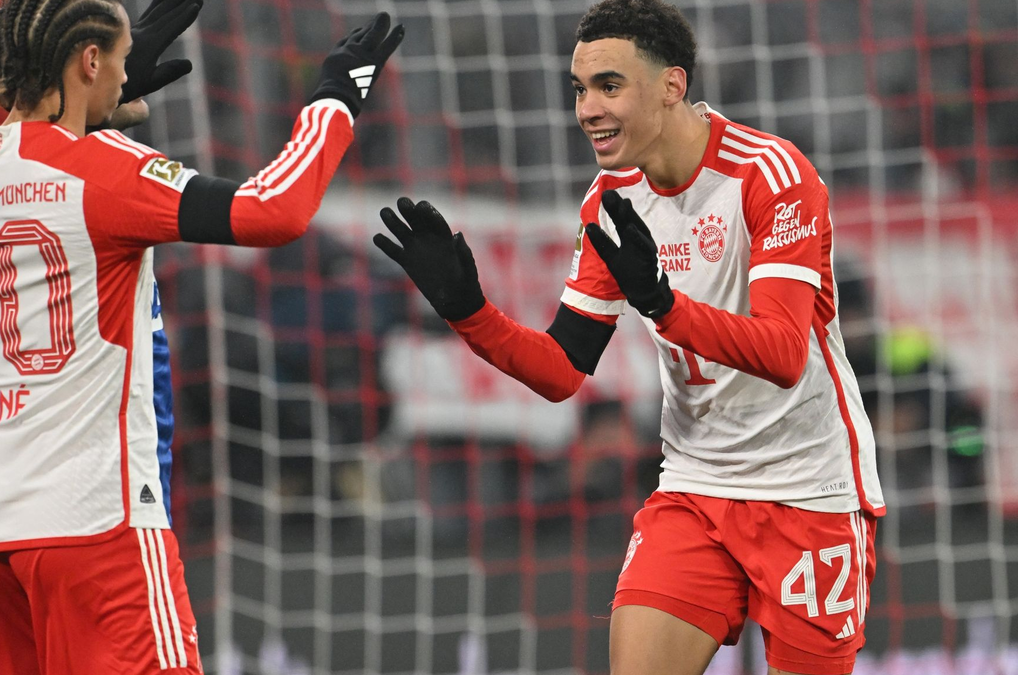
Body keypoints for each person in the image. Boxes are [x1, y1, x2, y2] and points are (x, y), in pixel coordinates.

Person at [372, 1, 883, 673]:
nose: (587, 109)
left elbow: (784, 354)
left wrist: (664, 305)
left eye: (608, 86)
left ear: (672, 85)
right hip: (696, 488)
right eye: (580, 89)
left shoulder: (772, 176)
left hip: (808, 491)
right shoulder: (610, 200)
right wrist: (470, 311)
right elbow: (562, 370)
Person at [0, 0, 403, 672]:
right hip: (98, 526)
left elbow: (35, 164)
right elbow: (272, 210)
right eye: (119, 61)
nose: (129, 77)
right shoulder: (107, 170)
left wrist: (88, 99)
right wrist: (335, 99)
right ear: (89, 60)